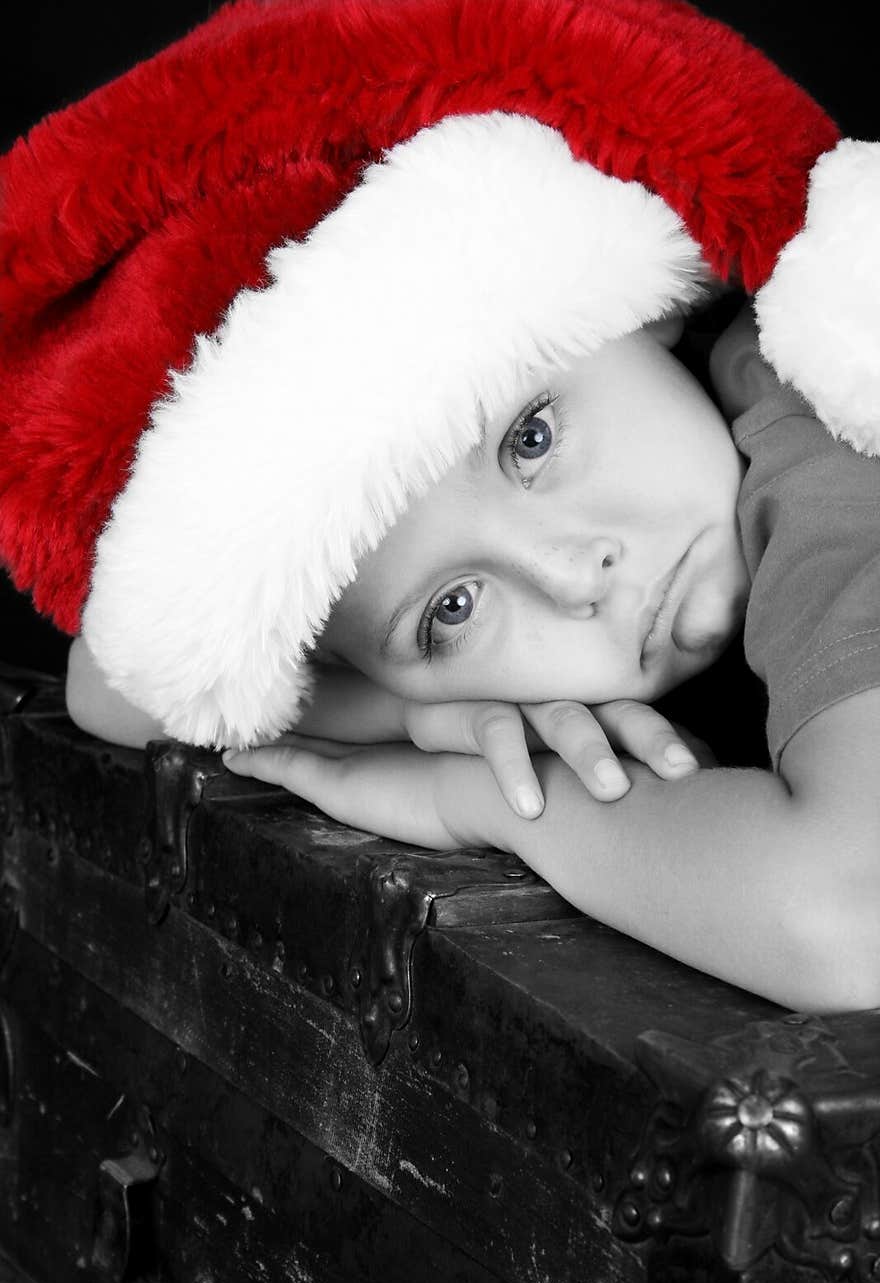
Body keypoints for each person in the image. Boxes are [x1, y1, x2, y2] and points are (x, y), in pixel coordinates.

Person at [3, 0, 879, 1010]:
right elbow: (117, 685)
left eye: (531, 438)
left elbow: (850, 916)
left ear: (644, 309)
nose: (571, 573)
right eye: (451, 609)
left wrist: (475, 795)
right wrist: (421, 709)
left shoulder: (829, 392)